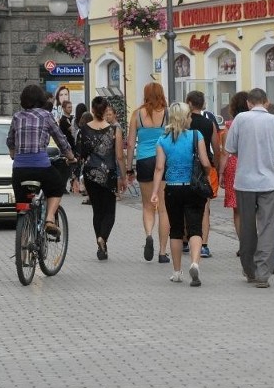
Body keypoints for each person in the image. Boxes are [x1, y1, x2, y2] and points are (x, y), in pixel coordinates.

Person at [225, 88, 274, 288]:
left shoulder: (240, 120)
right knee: (268, 226)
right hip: (269, 181)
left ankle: (249, 269)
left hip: (245, 181)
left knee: (247, 226)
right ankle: (263, 271)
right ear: (267, 101)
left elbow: (231, 149)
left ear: (248, 103)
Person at [151, 102, 211, 286]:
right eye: (189, 115)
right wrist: (206, 173)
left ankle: (177, 272)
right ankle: (194, 262)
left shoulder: (163, 139)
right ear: (185, 118)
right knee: (194, 228)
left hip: (173, 188)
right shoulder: (196, 135)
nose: (191, 118)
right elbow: (205, 162)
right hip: (193, 188)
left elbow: (159, 168)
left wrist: (154, 192)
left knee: (176, 230)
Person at [6, 84, 76, 236]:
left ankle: (23, 251)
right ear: (41, 99)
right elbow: (61, 140)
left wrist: (13, 154)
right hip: (41, 168)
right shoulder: (46, 116)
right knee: (57, 186)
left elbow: (10, 140)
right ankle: (50, 219)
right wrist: (71, 157)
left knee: (22, 206)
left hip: (20, 171)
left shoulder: (17, 117)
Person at [75, 96, 127, 260]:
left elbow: (80, 155)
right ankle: (102, 238)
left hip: (90, 173)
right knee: (109, 211)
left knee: (97, 211)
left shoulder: (83, 129)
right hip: (109, 174)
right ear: (105, 111)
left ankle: (101, 247)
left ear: (92, 110)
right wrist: (124, 176)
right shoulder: (114, 130)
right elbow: (119, 156)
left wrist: (76, 177)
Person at [126, 82, 170, 263]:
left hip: (144, 160)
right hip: (163, 161)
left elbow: (130, 144)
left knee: (147, 205)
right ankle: (162, 252)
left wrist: (129, 168)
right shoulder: (168, 114)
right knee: (163, 208)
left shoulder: (137, 114)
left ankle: (149, 234)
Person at [186, 91, 220, 258]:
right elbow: (216, 146)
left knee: (186, 204)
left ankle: (187, 239)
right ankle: (204, 245)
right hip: (205, 167)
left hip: (187, 166)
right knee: (204, 208)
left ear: (190, 103)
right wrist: (217, 167)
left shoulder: (185, 123)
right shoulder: (209, 123)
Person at [219, 91, 249, 247]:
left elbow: (225, 151)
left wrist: (221, 173)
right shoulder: (254, 123)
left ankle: (243, 244)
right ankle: (252, 241)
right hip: (250, 163)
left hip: (233, 165)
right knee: (252, 208)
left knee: (237, 209)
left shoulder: (230, 125)